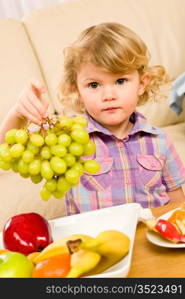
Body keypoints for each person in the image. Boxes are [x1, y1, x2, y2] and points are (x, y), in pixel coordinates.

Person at [0, 22, 185, 215]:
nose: (108, 95)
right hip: (93, 242)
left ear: (141, 83)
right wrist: (19, 113)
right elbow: (7, 149)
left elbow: (178, 205)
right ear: (77, 90)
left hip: (149, 241)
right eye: (94, 85)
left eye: (120, 81)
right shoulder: (66, 139)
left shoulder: (160, 141)